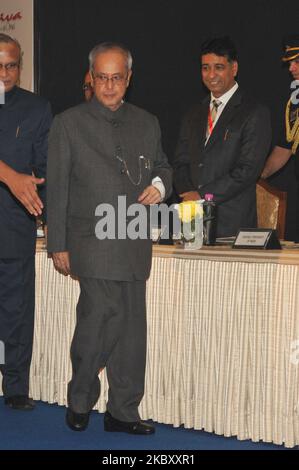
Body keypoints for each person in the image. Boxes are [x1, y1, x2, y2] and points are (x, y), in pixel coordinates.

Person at [47, 42, 172, 433]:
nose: (109, 85)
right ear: (91, 77)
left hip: (133, 238)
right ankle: (81, 397)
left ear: (129, 79)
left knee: (133, 332)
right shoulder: (68, 123)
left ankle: (123, 412)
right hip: (92, 240)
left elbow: (165, 168)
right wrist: (58, 243)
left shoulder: (148, 122)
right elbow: (58, 187)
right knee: (99, 319)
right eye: (102, 77)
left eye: (117, 77)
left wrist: (160, 186)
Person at [173, 36, 272, 238]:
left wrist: (201, 196)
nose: (211, 75)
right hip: (191, 223)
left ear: (234, 68)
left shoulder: (254, 112)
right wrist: (188, 196)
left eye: (218, 67)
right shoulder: (193, 114)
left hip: (231, 227)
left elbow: (247, 171)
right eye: (205, 68)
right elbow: (180, 163)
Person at [0, 34, 52, 410]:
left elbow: (45, 171)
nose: (4, 73)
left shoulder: (36, 108)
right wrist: (9, 175)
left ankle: (15, 384)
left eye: (12, 65)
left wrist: (50, 215)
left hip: (14, 225)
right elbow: (16, 176)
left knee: (17, 310)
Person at [261, 35, 299, 192]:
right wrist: (260, 176)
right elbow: (286, 146)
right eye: (290, 63)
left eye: (297, 62)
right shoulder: (295, 103)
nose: (291, 68)